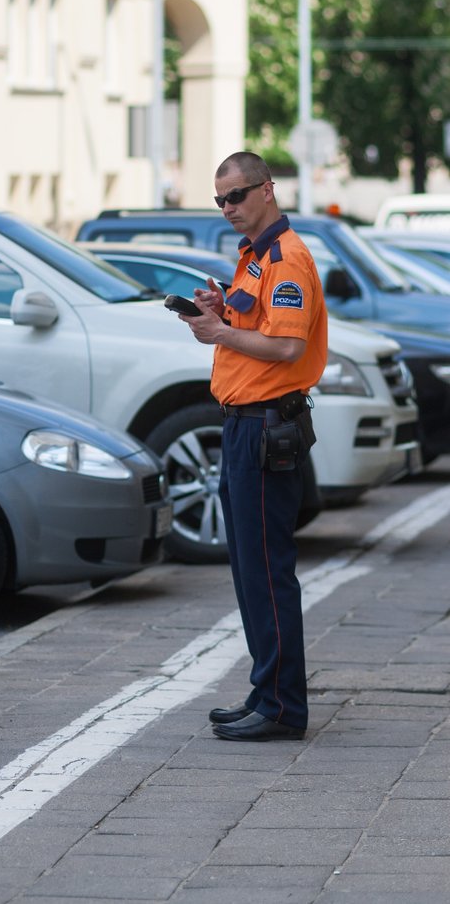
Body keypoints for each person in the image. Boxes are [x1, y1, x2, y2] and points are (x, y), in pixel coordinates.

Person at [177, 151, 328, 742]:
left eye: (236, 196)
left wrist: (219, 332)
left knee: (267, 572)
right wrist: (220, 312)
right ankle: (267, 690)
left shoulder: (287, 260)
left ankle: (284, 707)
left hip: (268, 426)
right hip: (245, 425)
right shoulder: (253, 258)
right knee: (248, 570)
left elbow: (288, 350)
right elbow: (255, 329)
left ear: (268, 189)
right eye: (219, 200)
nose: (228, 209)